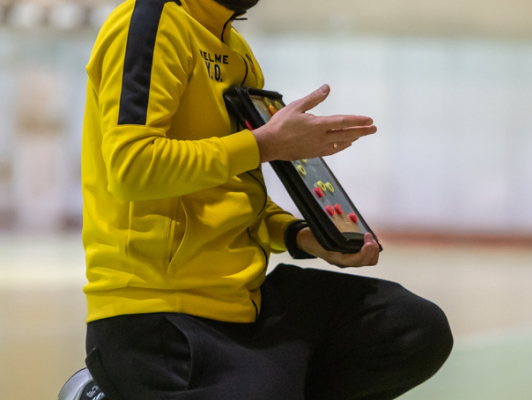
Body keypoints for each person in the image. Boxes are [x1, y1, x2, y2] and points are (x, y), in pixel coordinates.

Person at [81, 0, 453, 398]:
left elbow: (235, 190)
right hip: (158, 315)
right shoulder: (150, 21)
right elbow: (133, 167)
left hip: (246, 301)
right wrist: (264, 144)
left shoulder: (236, 50)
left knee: (413, 328)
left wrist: (301, 236)